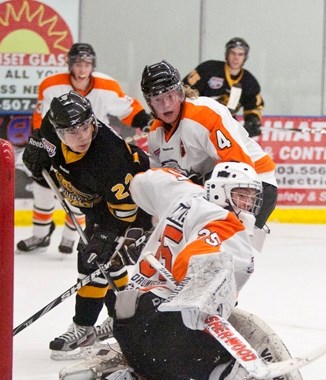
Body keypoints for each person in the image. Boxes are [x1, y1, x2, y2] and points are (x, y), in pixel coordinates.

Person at [56, 162, 326, 380]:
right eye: (241, 195)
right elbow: (199, 258)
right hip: (161, 320)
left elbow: (141, 183)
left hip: (127, 319)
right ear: (220, 191)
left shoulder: (182, 192)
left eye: (252, 198)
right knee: (223, 361)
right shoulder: (229, 226)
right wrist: (195, 291)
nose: (248, 205)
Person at [21, 91, 151, 360]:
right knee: (106, 263)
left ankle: (84, 327)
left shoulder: (109, 157)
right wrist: (35, 155)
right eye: (71, 131)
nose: (81, 136)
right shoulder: (52, 123)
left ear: (92, 120)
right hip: (97, 203)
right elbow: (40, 143)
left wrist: (106, 236)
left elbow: (125, 212)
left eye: (84, 126)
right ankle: (120, 317)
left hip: (134, 207)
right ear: (57, 129)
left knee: (94, 260)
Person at [17, 43, 151, 255]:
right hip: (61, 145)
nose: (81, 70)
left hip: (94, 151)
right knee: (42, 187)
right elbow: (42, 120)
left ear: (92, 67)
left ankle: (72, 237)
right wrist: (38, 143)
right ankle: (40, 234)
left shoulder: (107, 86)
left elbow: (129, 109)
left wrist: (147, 121)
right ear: (70, 65)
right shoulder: (51, 85)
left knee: (83, 194)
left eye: (86, 65)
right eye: (78, 64)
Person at [141, 59, 277, 250]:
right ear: (150, 103)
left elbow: (239, 166)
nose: (166, 105)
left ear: (180, 92)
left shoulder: (203, 113)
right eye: (158, 100)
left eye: (170, 96)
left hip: (255, 184)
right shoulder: (156, 135)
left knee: (219, 254)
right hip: (213, 189)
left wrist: (243, 220)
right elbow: (163, 186)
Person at [182, 37, 264, 138]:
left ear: (245, 57)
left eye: (240, 54)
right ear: (227, 54)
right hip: (198, 122)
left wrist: (252, 121)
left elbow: (254, 107)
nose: (236, 58)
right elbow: (184, 90)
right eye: (233, 53)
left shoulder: (249, 82)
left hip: (227, 127)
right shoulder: (208, 69)